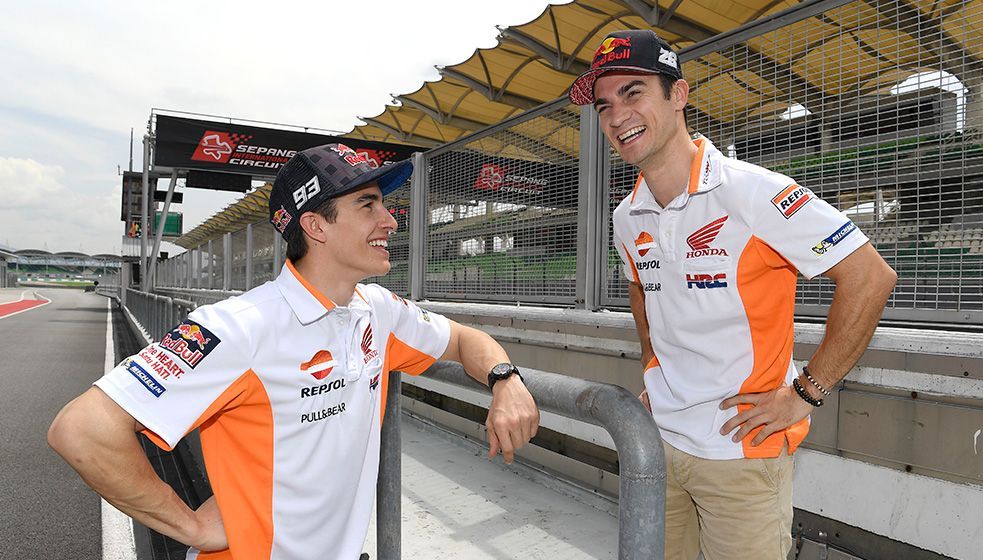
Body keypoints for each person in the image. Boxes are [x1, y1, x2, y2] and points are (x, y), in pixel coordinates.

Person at [48, 143, 540, 560]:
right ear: (316, 227)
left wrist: (504, 378)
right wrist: (189, 527)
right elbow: (82, 431)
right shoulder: (240, 328)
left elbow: (461, 339)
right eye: (368, 205)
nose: (391, 219)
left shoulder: (379, 311)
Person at [569, 30, 896, 559]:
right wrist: (654, 368)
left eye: (634, 92)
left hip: (742, 452)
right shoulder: (626, 216)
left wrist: (806, 392)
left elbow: (870, 276)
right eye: (604, 105)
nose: (616, 116)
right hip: (657, 443)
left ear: (679, 95)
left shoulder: (753, 191)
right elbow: (640, 290)